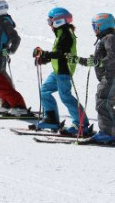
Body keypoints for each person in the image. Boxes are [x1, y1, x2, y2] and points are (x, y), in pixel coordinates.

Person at [73, 13, 115, 144]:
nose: (94, 29)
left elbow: (112, 56)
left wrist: (99, 62)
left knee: (102, 103)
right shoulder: (106, 38)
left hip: (110, 77)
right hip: (111, 77)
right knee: (107, 105)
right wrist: (80, 60)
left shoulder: (110, 38)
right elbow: (97, 61)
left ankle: (107, 133)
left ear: (102, 25)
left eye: (95, 26)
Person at [32, 7, 90, 135]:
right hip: (58, 70)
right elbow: (57, 55)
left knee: (66, 97)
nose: (50, 25)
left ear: (59, 20)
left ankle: (81, 124)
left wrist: (44, 54)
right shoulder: (61, 33)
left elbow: (60, 54)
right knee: (45, 90)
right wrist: (44, 59)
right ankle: (51, 119)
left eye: (50, 21)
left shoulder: (66, 34)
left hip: (64, 70)